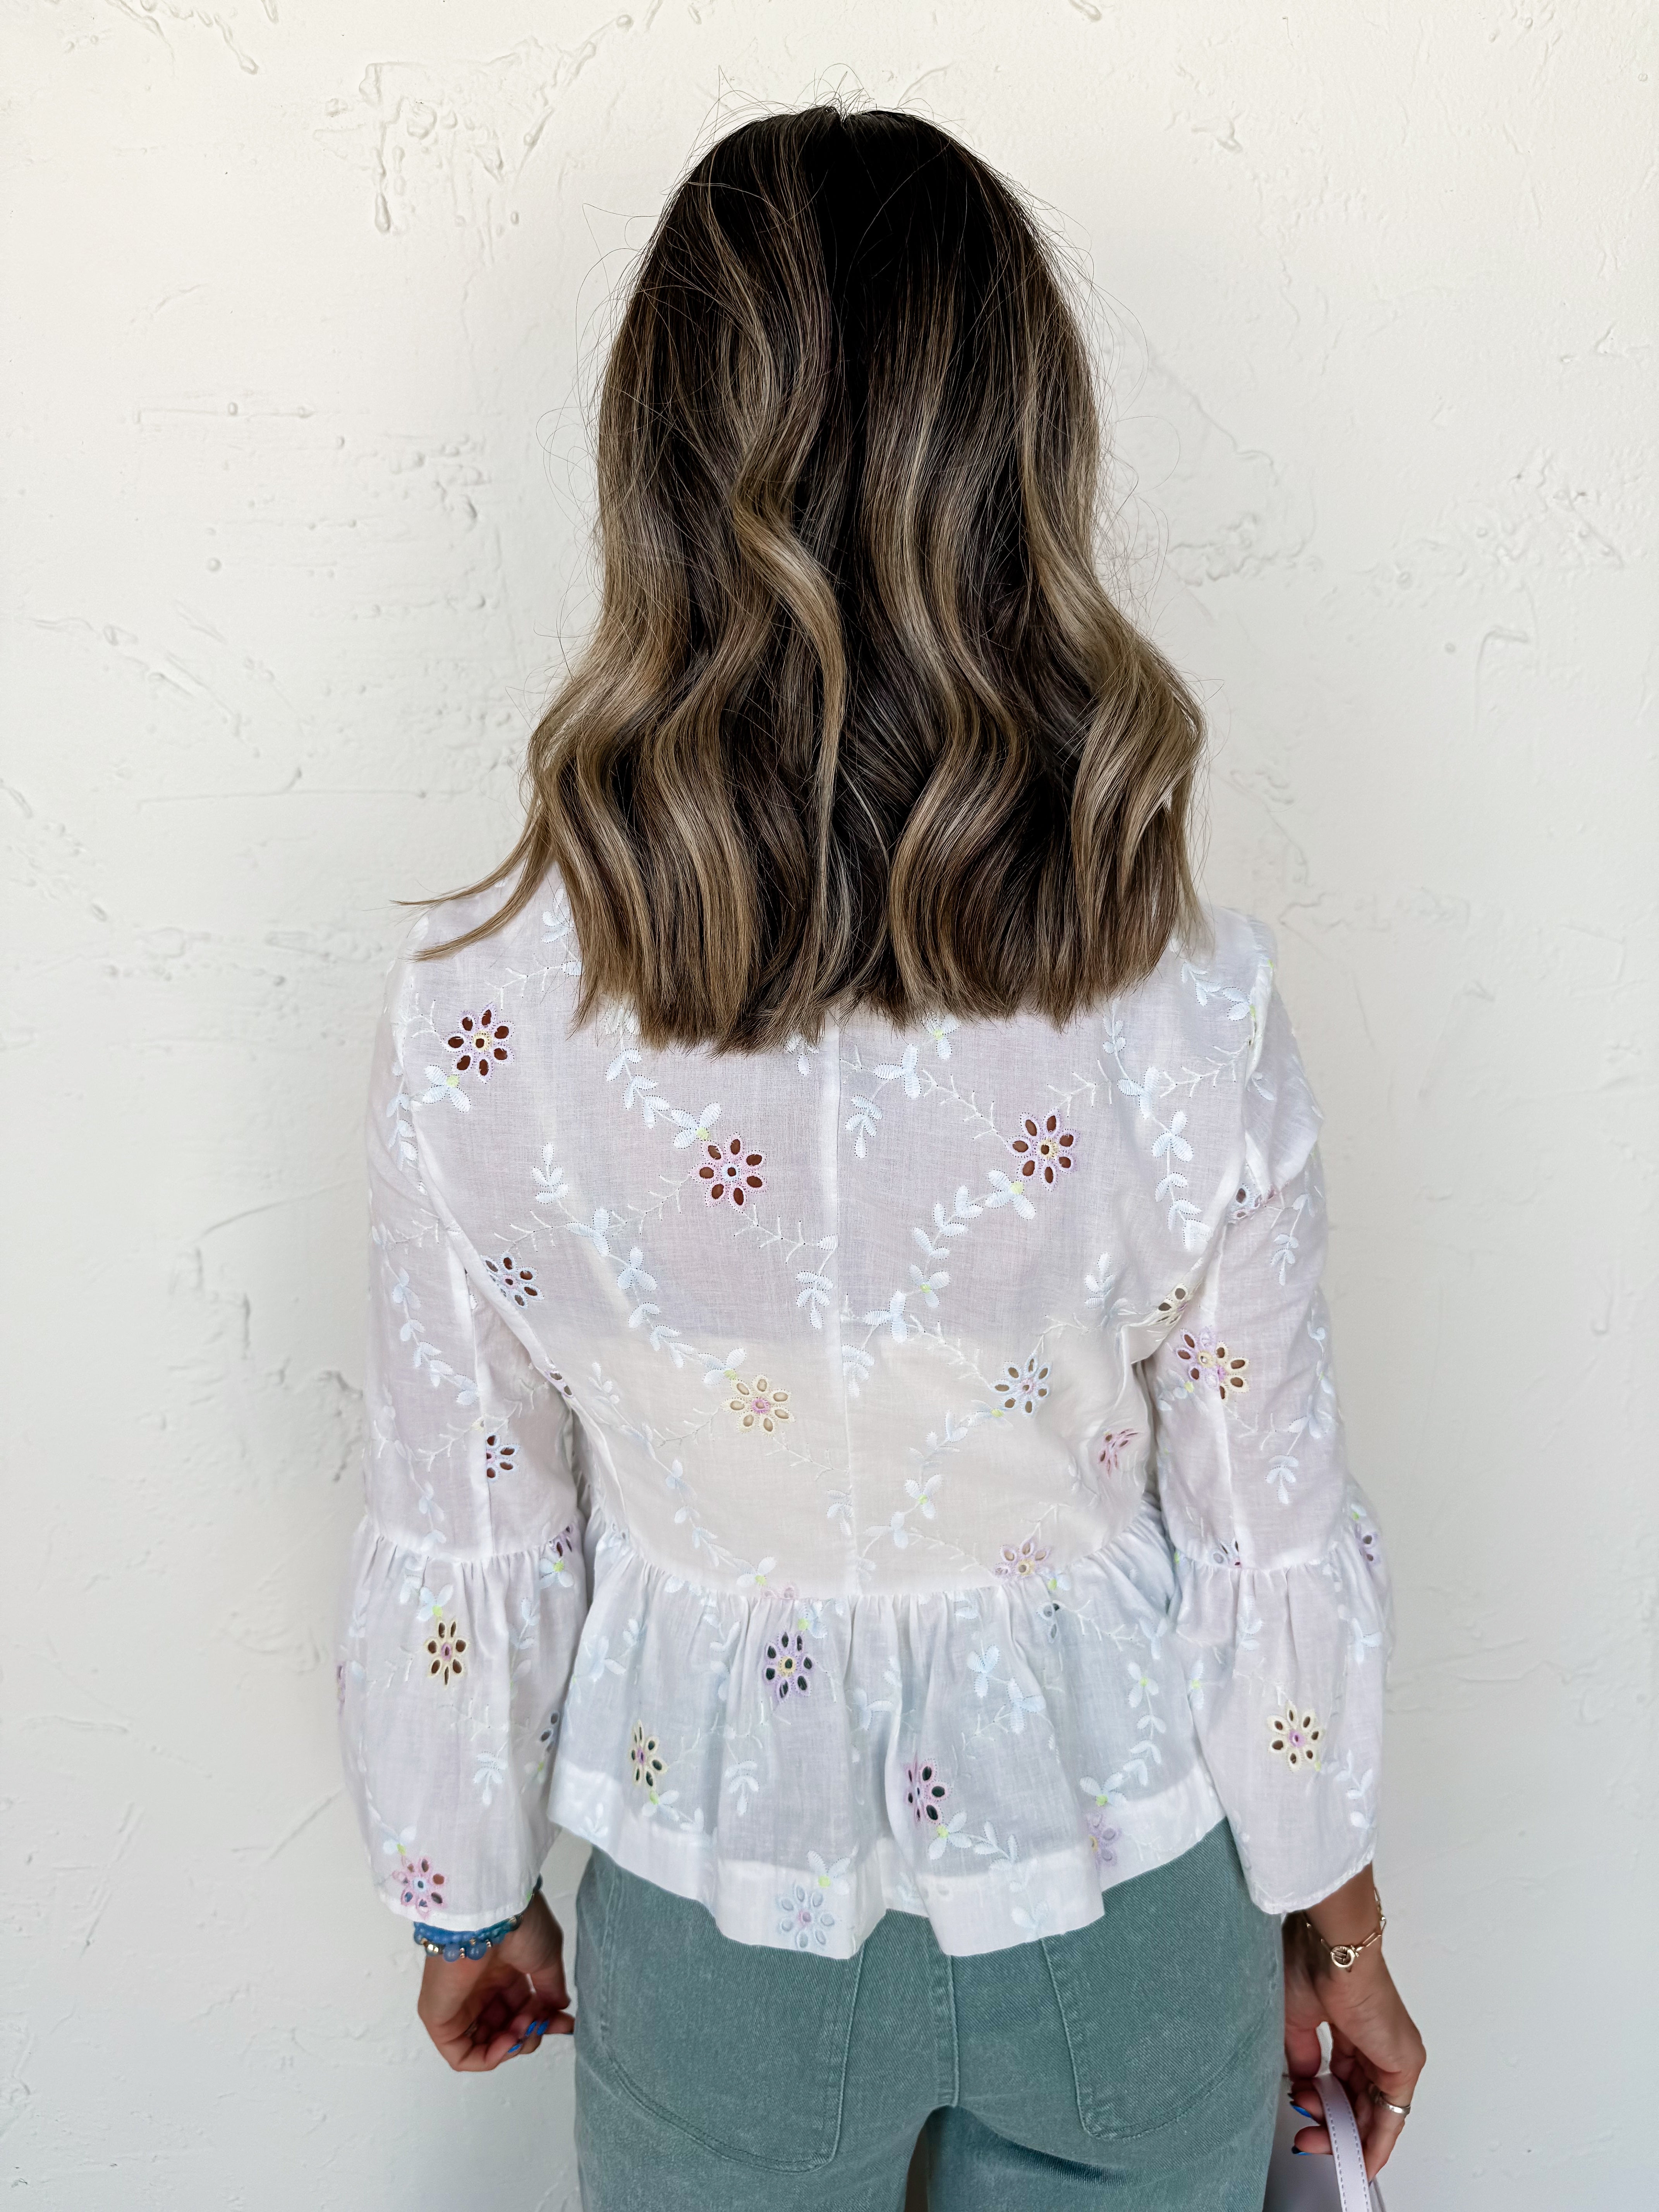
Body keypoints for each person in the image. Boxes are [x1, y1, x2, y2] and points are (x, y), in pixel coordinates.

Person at [337, 102, 1424, 2211]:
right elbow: (1261, 1514)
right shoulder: (1179, 995)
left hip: (714, 1912)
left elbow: (470, 1507)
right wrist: (1344, 1933)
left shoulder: (486, 1017)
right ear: (1024, 472)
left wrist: (467, 1897)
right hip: (1129, 1897)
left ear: (660, 475)